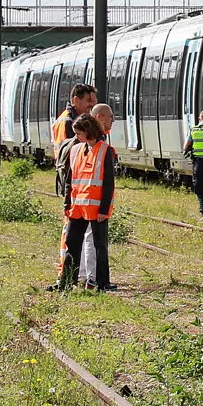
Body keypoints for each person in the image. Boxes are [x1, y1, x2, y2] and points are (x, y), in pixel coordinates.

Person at [60, 114, 116, 292]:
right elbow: (70, 179)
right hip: (77, 207)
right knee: (72, 245)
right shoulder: (76, 150)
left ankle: (102, 283)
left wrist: (104, 209)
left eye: (78, 133)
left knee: (100, 246)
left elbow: (108, 183)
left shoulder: (105, 150)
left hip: (96, 208)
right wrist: (67, 203)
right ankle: (67, 282)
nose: (76, 137)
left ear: (88, 131)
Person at [88, 103, 116, 291]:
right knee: (94, 242)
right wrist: (104, 208)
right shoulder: (98, 147)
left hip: (87, 204)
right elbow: (106, 182)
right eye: (110, 116)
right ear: (99, 117)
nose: (113, 120)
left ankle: (91, 279)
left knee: (91, 242)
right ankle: (95, 280)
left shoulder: (94, 144)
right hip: (93, 205)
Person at [52, 83, 98, 152]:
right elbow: (89, 145)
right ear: (76, 100)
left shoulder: (63, 118)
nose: (91, 104)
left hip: (62, 161)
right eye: (88, 100)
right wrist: (96, 111)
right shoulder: (71, 122)